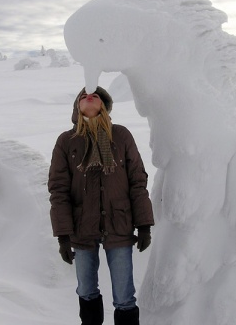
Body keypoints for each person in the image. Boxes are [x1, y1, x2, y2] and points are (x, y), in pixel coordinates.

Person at [48, 86, 154, 325]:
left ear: (104, 106)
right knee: (86, 290)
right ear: (77, 107)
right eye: (84, 96)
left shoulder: (121, 135)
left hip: (119, 223)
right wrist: (63, 235)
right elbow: (58, 189)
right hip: (82, 227)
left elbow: (137, 180)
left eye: (95, 96)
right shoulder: (67, 141)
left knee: (125, 297)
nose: (89, 97)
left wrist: (144, 224)